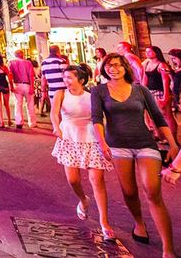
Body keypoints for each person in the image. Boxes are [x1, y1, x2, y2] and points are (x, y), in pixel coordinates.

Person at [92, 53, 178, 257]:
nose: (114, 69)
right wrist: (102, 142)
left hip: (145, 144)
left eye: (118, 65)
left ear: (125, 68)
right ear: (104, 69)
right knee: (129, 192)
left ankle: (168, 248)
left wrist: (173, 144)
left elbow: (157, 117)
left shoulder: (141, 89)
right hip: (118, 146)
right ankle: (139, 223)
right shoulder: (99, 91)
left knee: (152, 190)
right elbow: (96, 118)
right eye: (109, 65)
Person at [51, 64, 115, 242]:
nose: (66, 81)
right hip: (69, 138)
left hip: (92, 138)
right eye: (64, 78)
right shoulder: (61, 94)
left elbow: (101, 116)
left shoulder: (92, 95)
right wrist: (56, 127)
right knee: (73, 179)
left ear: (81, 79)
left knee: (97, 180)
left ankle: (104, 223)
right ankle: (83, 200)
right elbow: (54, 114)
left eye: (69, 78)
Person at [142, 46, 177, 143]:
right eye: (146, 52)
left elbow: (165, 80)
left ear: (156, 53)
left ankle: (173, 139)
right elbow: (144, 79)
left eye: (149, 52)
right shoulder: (147, 64)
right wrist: (142, 91)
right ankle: (161, 137)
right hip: (150, 92)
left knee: (167, 115)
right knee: (153, 116)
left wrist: (166, 95)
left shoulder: (161, 65)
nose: (147, 53)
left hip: (160, 91)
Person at [9, 49, 36, 129]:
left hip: (17, 84)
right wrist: (32, 86)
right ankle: (32, 122)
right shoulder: (28, 63)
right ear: (22, 54)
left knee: (18, 104)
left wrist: (11, 86)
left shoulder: (11, 63)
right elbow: (31, 75)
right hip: (27, 84)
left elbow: (10, 75)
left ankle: (19, 122)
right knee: (30, 104)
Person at [41, 45, 67, 110]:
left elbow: (43, 79)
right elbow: (67, 75)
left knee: (55, 110)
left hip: (52, 90)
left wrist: (43, 91)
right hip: (63, 90)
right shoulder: (61, 61)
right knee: (65, 111)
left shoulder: (44, 63)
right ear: (58, 51)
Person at [168, 48, 181, 114]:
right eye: (171, 59)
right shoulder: (177, 67)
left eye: (174, 58)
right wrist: (170, 73)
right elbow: (173, 80)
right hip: (176, 92)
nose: (173, 61)